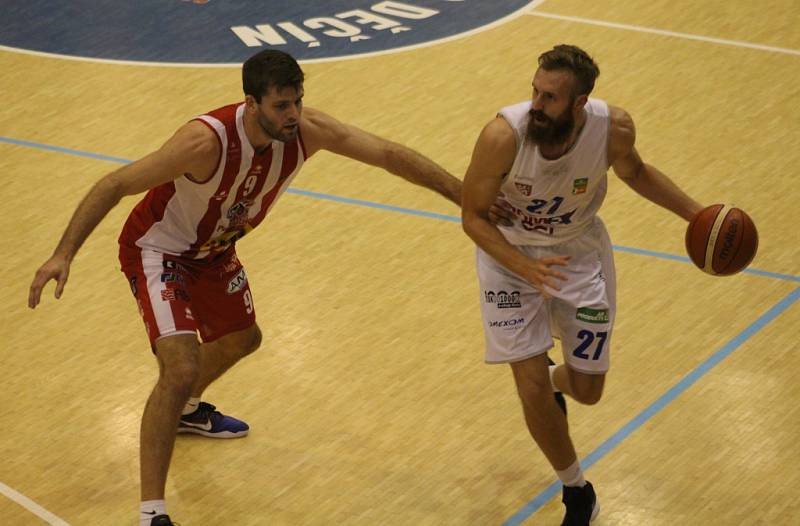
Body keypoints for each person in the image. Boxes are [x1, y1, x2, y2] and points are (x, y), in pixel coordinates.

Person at [28, 49, 465, 526]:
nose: (294, 114)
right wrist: (63, 252)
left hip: (213, 252)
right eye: (282, 105)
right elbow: (115, 183)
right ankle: (151, 512)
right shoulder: (204, 142)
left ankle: (186, 411)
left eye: (298, 100)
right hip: (159, 250)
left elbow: (388, 155)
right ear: (251, 103)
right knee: (178, 367)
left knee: (243, 339)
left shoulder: (308, 131)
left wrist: (462, 193)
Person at [461, 44, 704, 525]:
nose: (536, 103)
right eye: (534, 90)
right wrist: (522, 266)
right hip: (507, 256)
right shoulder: (502, 135)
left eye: (550, 97)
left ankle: (557, 382)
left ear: (579, 104)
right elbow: (472, 216)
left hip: (577, 253)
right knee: (526, 384)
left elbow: (636, 172)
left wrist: (698, 216)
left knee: (589, 390)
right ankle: (577, 490)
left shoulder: (612, 130)